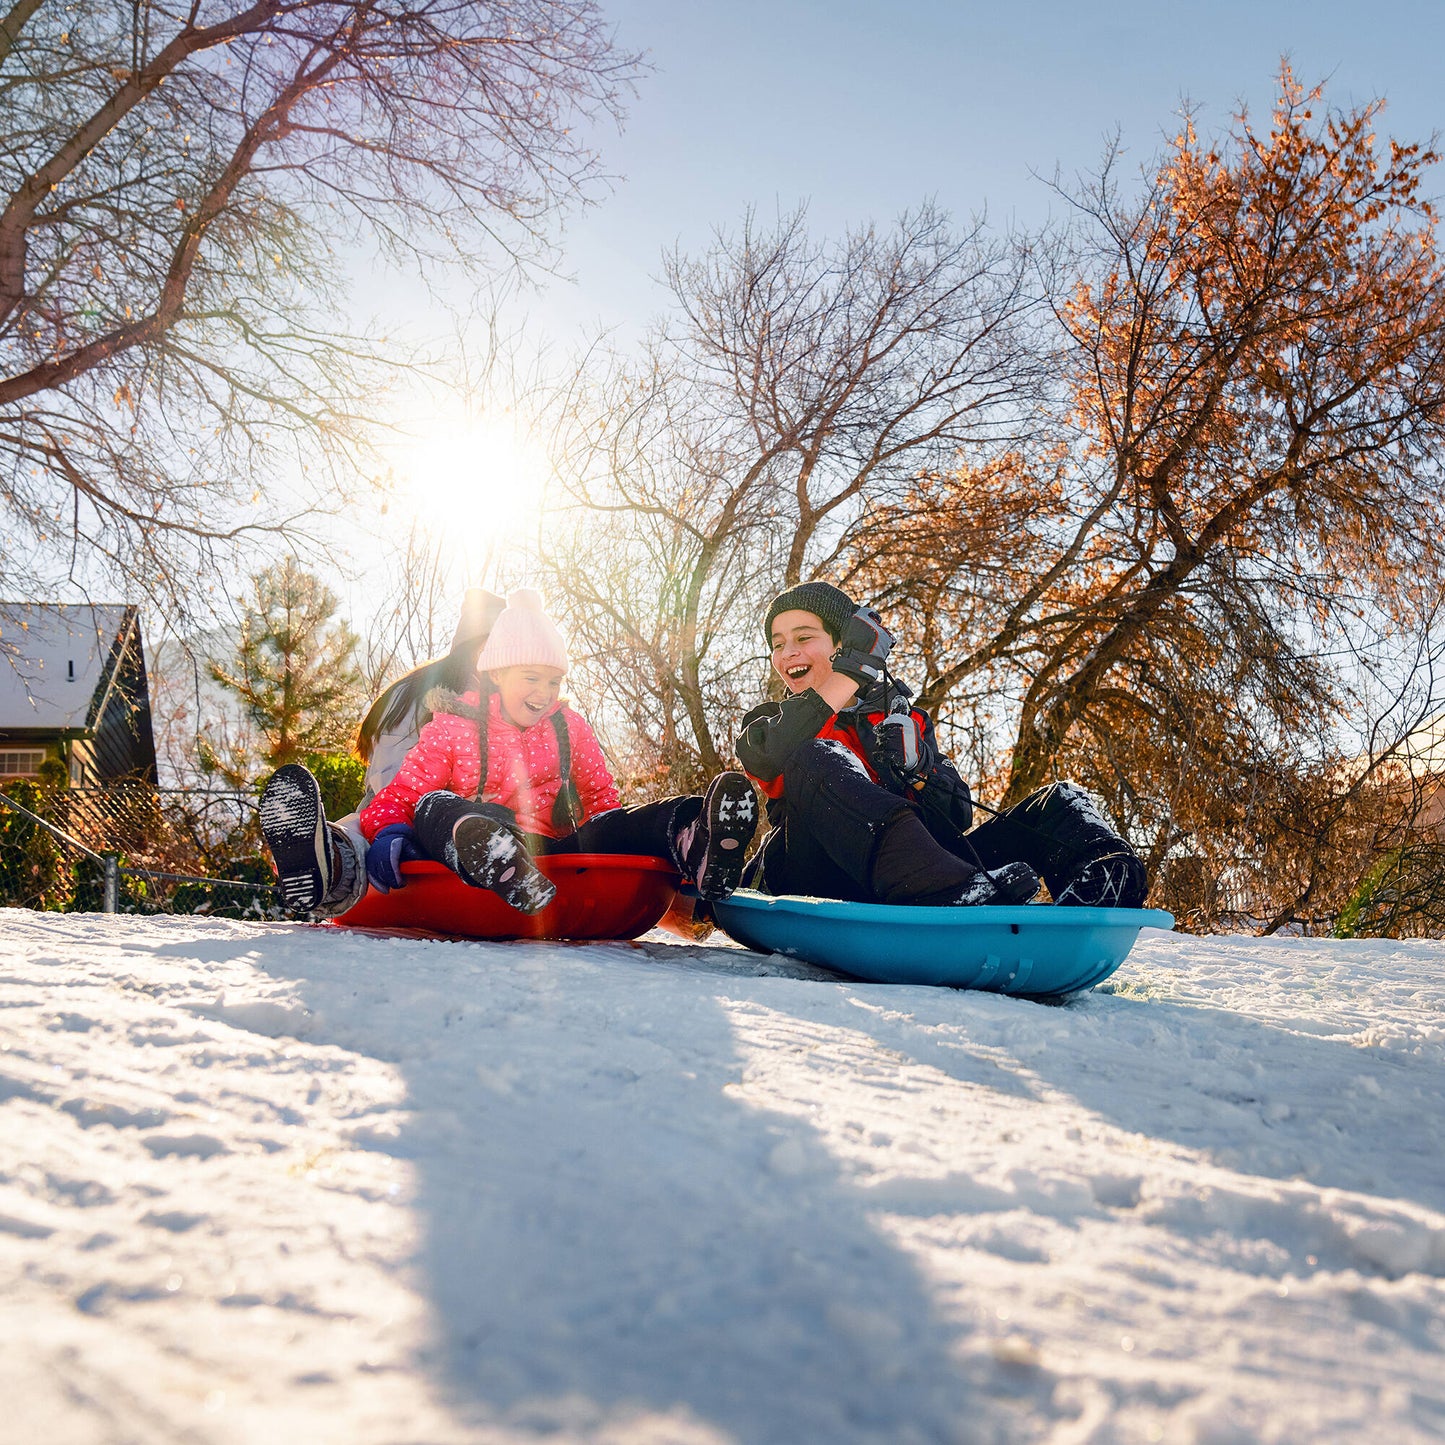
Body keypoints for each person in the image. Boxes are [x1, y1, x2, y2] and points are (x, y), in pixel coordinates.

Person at [266, 588, 758, 916]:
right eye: (530, 677)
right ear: (495, 672)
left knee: (638, 818)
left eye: (554, 680)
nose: (544, 692)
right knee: (436, 806)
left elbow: (603, 797)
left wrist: (623, 842)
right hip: (471, 836)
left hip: (552, 850)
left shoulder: (569, 727)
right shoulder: (453, 724)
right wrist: (391, 828)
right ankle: (480, 853)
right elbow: (403, 791)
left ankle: (698, 837)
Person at [736, 580, 1148, 909]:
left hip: (938, 880)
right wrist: (854, 671)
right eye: (777, 643)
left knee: (1058, 801)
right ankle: (946, 888)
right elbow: (768, 755)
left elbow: (959, 814)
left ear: (841, 642)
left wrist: (919, 772)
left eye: (803, 637)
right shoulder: (773, 720)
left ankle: (1104, 879)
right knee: (817, 755)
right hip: (822, 875)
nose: (787, 652)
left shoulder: (901, 718)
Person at [259, 587, 506, 917]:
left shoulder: (513, 697)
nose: (495, 661)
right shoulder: (422, 693)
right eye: (486, 648)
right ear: (467, 647)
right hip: (411, 809)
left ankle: (333, 851)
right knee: (377, 838)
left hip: (472, 823)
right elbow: (393, 779)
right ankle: (326, 857)